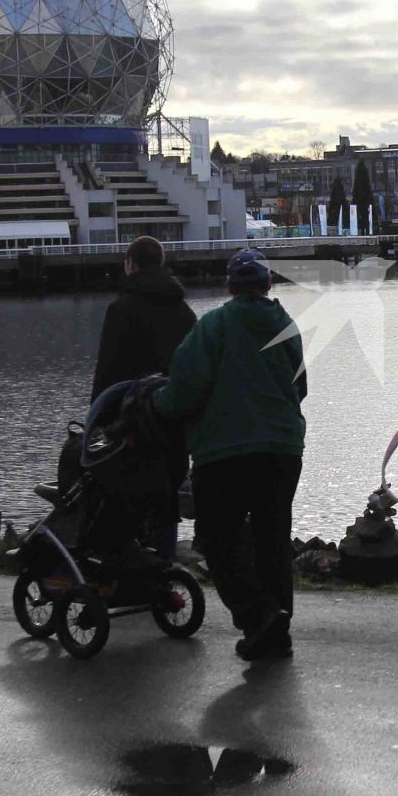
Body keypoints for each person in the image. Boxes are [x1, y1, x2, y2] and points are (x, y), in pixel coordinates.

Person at [153, 249, 306, 660]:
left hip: (225, 452)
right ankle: (277, 634)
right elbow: (300, 388)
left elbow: (182, 392)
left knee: (218, 540)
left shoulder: (213, 326)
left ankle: (257, 615)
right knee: (272, 540)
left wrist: (157, 404)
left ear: (229, 286)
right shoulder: (286, 326)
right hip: (282, 449)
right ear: (268, 284)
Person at [91, 235, 197, 558]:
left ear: (132, 264)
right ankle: (163, 567)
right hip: (173, 422)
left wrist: (97, 422)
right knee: (167, 497)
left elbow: (107, 371)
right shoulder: (184, 312)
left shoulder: (121, 309)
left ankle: (128, 566)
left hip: (132, 423)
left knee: (127, 493)